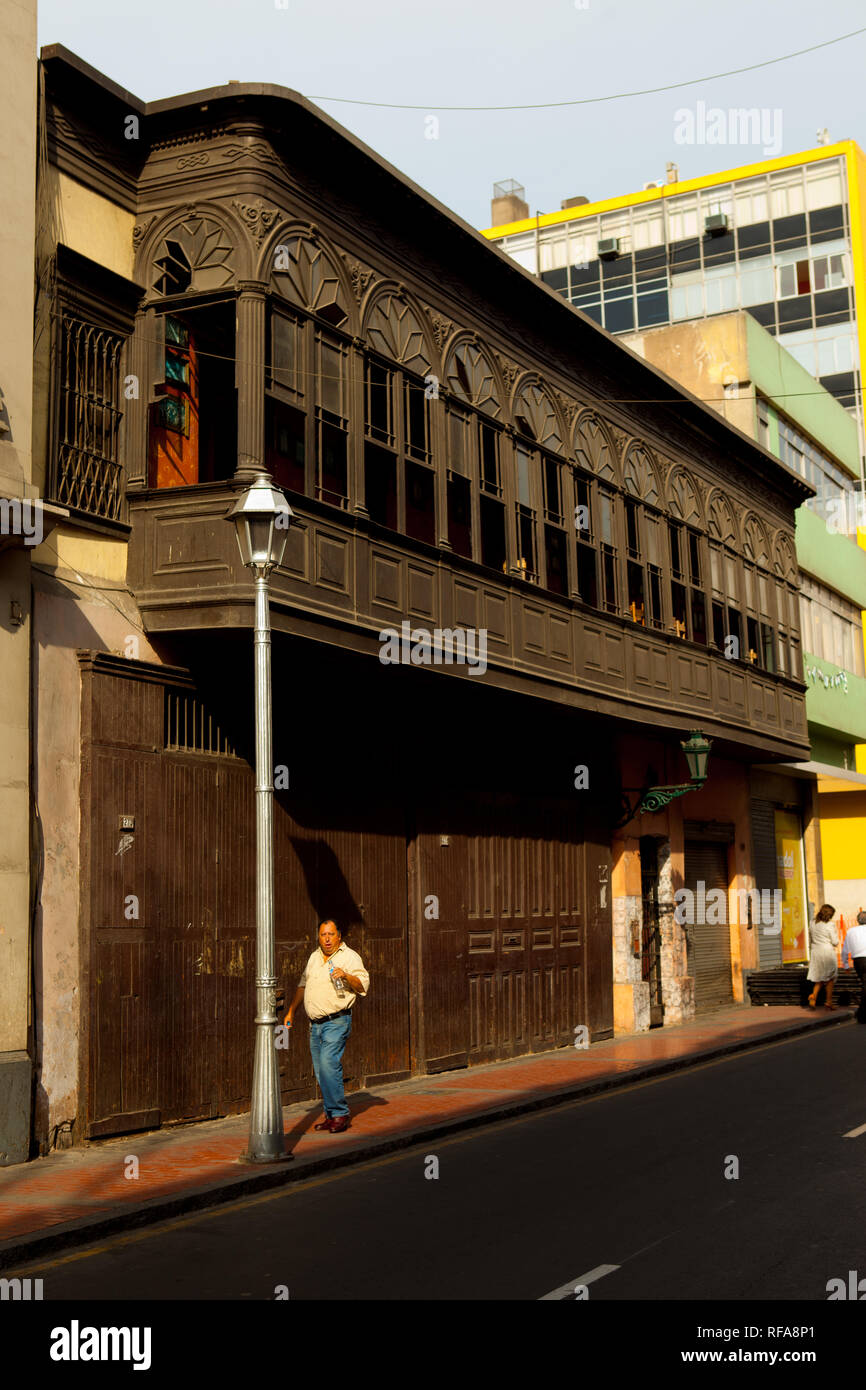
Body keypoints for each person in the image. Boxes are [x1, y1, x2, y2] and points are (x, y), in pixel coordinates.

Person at [284, 920, 369, 1133]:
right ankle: (331, 1115)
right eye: (323, 935)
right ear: (319, 937)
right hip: (315, 1025)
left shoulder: (350, 957)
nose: (327, 938)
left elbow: (363, 986)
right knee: (321, 1071)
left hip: (337, 1021)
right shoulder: (314, 957)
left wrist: (346, 975)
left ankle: (340, 1113)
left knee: (329, 1063)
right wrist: (291, 1011)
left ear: (339, 936)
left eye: (331, 934)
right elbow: (303, 985)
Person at [806, 903, 838, 1010]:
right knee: (830, 977)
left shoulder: (812, 923)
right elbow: (835, 941)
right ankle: (828, 1001)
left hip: (815, 952)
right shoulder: (830, 925)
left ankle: (813, 996)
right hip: (827, 952)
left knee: (819, 977)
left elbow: (810, 939)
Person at [840, 909, 866, 1023]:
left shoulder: (851, 931)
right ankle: (862, 1015)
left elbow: (845, 949)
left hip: (858, 960)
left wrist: (845, 965)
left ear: (857, 920)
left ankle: (862, 1014)